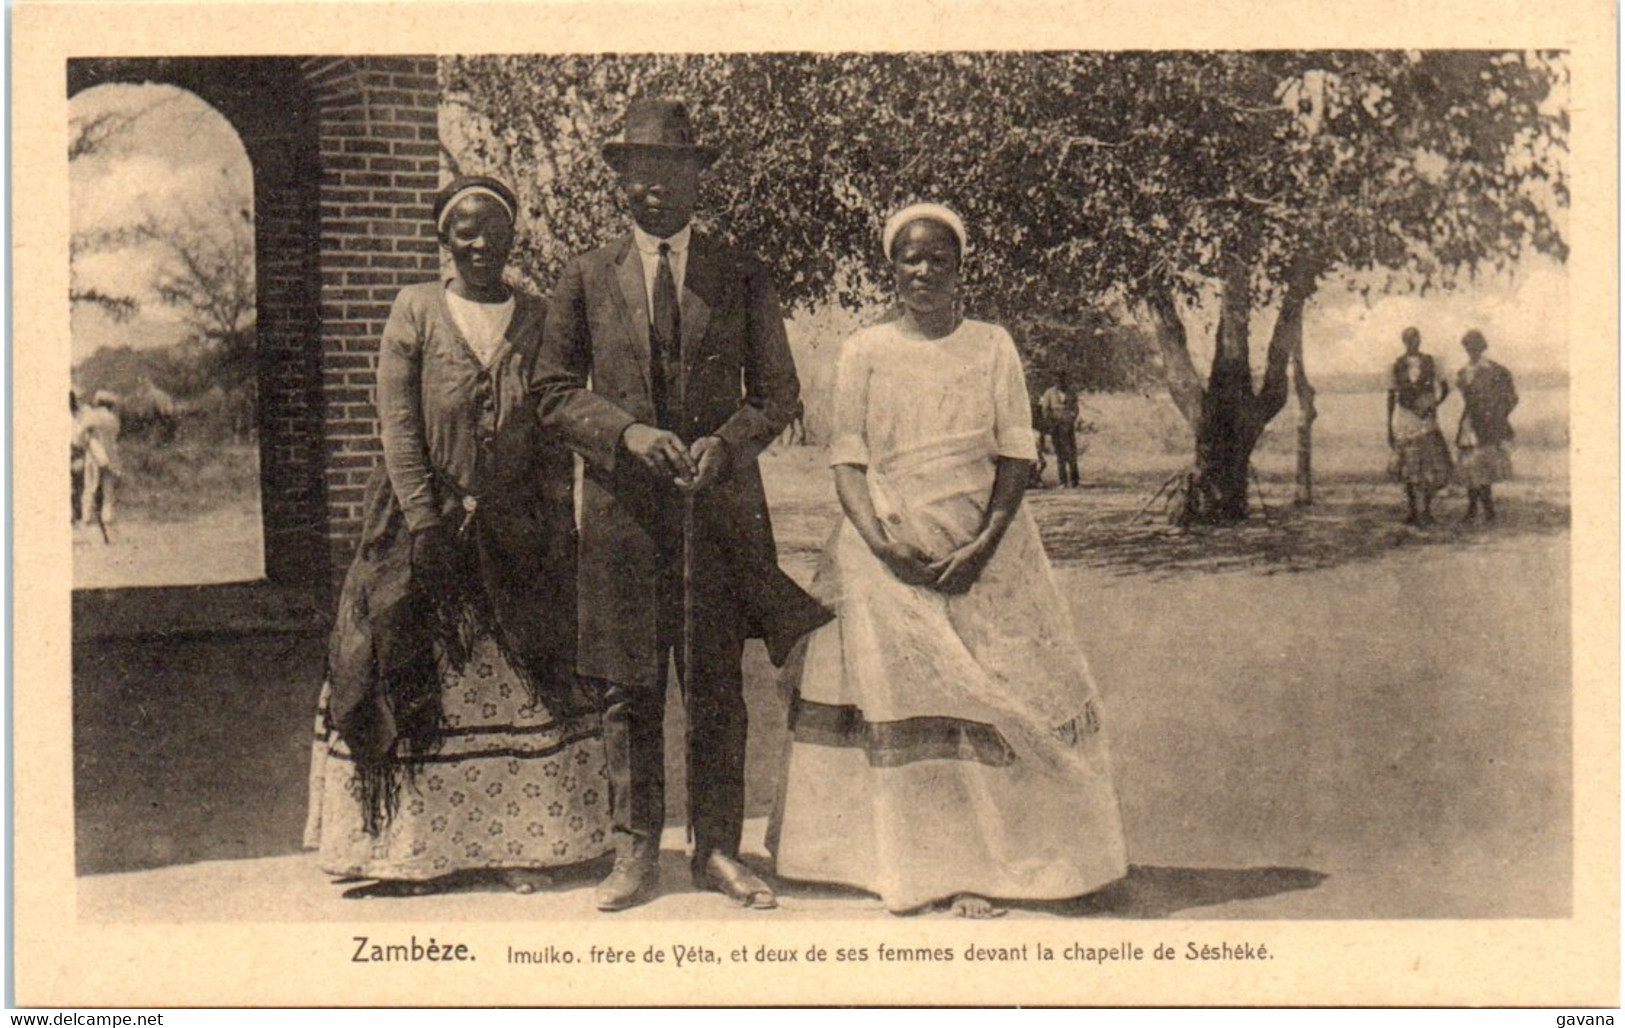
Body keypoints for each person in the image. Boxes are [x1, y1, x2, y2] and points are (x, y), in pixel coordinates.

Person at [769, 203, 1128, 918]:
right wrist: (880, 543)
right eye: (910, 257)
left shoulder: (991, 346)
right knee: (904, 706)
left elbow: (1016, 456)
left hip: (986, 552)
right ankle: (900, 864)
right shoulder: (864, 349)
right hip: (885, 555)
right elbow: (846, 459)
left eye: (939, 257)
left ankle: (1002, 866)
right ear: (891, 269)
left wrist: (980, 548)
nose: (924, 270)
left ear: (961, 268)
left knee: (998, 694)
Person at [536, 99, 828, 913]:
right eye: (635, 173)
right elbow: (551, 392)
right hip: (623, 519)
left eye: (667, 171)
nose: (650, 188)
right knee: (628, 688)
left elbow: (777, 393)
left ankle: (716, 853)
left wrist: (726, 445)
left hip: (718, 516)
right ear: (618, 182)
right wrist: (625, 434)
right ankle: (634, 856)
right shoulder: (585, 276)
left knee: (713, 688)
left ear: (696, 177)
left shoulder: (740, 271)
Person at [305, 176, 609, 897]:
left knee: (520, 674)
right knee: (408, 667)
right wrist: (425, 521)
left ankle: (522, 845)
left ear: (512, 239)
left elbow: (551, 426)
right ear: (444, 240)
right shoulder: (415, 309)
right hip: (420, 521)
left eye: (492, 231)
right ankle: (416, 853)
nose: (479, 244)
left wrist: (545, 526)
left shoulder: (536, 316)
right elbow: (399, 428)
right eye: (463, 232)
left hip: (514, 526)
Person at [1385, 327, 1453, 525]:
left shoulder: (1432, 362)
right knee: (1409, 466)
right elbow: (1391, 397)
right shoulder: (1395, 365)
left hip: (1427, 419)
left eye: (1416, 339)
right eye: (1409, 339)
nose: (1413, 342)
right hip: (1405, 418)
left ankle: (1428, 509)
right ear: (1404, 342)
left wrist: (1433, 403)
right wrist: (1389, 426)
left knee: (1431, 464)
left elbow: (1446, 388)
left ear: (1420, 340)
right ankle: (1414, 511)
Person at [1454, 329, 1518, 523]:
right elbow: (1467, 399)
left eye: (1474, 346)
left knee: (1483, 467)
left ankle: (1488, 510)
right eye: (1468, 347)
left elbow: (1511, 398)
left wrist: (1498, 416)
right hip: (1470, 423)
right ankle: (1472, 509)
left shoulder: (1496, 370)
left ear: (1482, 347)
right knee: (1470, 467)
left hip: (1487, 425)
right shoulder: (1463, 372)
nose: (1471, 351)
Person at [1039, 375, 1081, 487]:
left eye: (1062, 381)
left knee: (1071, 453)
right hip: (1056, 427)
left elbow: (1075, 409)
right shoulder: (1049, 393)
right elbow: (1045, 410)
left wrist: (1070, 419)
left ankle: (1075, 480)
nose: (1060, 384)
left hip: (1068, 426)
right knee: (1060, 454)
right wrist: (1051, 423)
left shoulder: (1071, 392)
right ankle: (1063, 481)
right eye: (1058, 382)